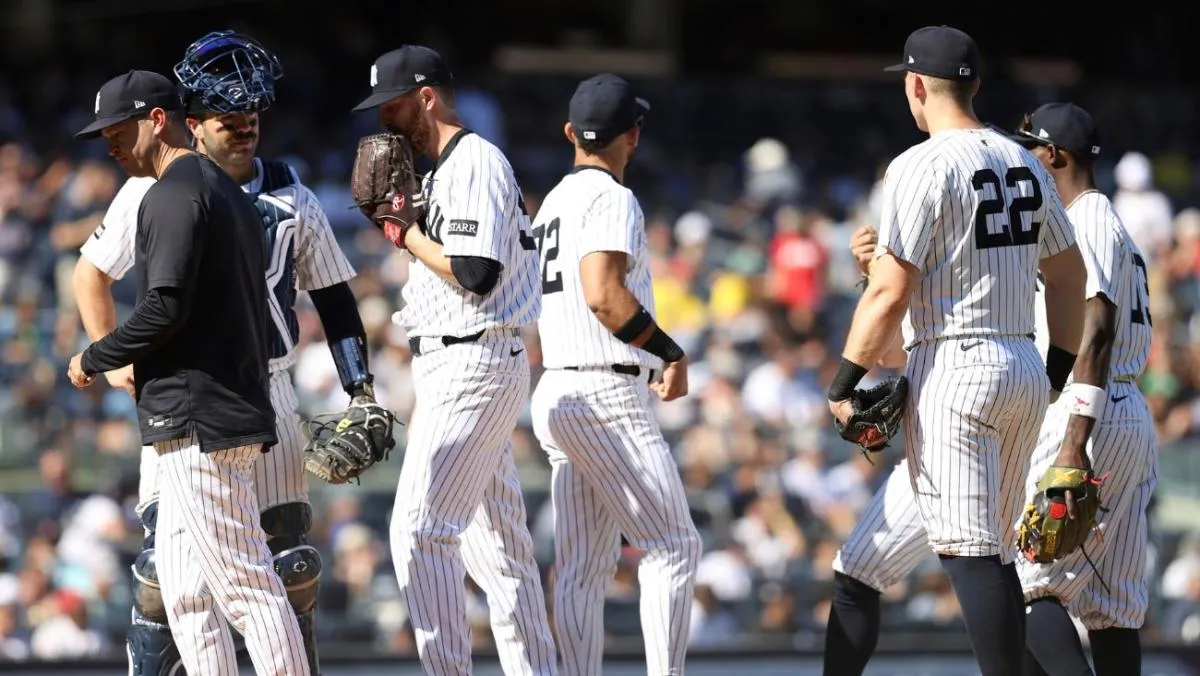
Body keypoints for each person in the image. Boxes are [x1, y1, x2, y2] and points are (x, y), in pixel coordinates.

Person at [73, 33, 366, 676]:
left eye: (250, 121)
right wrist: (116, 358)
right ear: (193, 123)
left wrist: (362, 390)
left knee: (272, 571)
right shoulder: (161, 189)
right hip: (196, 390)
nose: (243, 133)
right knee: (173, 579)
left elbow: (334, 304)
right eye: (228, 122)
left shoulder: (275, 194)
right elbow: (91, 273)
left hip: (247, 390)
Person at [821, 26, 1088, 676]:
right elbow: (1069, 272)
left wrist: (841, 384)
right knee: (866, 567)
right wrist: (1051, 373)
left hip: (955, 374)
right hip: (1019, 363)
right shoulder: (1022, 158)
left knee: (978, 561)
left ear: (916, 85)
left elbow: (889, 294)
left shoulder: (919, 163)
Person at [351, 45, 556, 675]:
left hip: (474, 359)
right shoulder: (440, 169)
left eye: (393, 104)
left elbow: (476, 272)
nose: (384, 119)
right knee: (501, 553)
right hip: (458, 362)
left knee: (419, 531)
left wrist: (402, 231)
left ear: (427, 97)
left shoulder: (473, 161)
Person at [528, 73, 702, 675]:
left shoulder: (550, 202)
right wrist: (670, 351)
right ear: (634, 133)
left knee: (582, 565)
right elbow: (604, 296)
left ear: (572, 133)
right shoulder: (611, 197)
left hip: (557, 386)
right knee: (674, 547)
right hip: (604, 389)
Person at [1012, 103, 1156, 676]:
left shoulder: (1085, 220)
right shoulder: (1109, 223)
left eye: (1030, 148)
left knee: (1025, 583)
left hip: (1086, 410)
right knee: (1112, 605)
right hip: (1124, 409)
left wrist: (1075, 442)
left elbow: (1096, 329)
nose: (1023, 157)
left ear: (1054, 155)